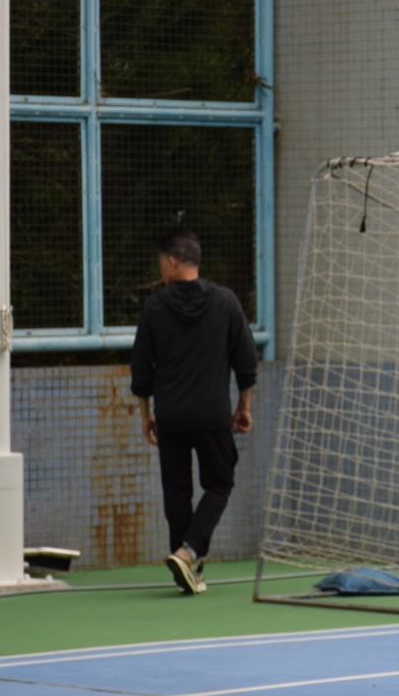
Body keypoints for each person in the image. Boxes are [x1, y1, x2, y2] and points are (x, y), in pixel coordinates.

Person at [130, 230, 257, 595]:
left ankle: (186, 563)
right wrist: (244, 406)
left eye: (161, 263)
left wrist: (146, 413)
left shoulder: (154, 307)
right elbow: (246, 360)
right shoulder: (225, 301)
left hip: (170, 415)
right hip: (213, 414)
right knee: (220, 483)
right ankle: (189, 553)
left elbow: (142, 369)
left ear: (171, 262)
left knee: (176, 491)